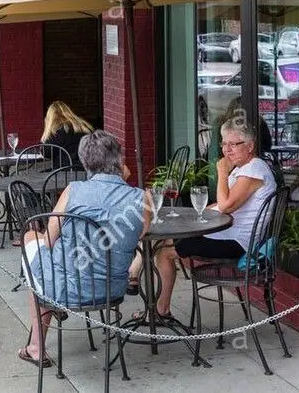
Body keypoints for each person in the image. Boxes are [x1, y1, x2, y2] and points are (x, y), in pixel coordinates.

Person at [19, 130, 153, 368]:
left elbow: (49, 240)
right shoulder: (141, 197)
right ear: (120, 159)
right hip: (113, 287)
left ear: (85, 162)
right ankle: (47, 302)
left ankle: (36, 346)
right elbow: (140, 235)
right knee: (45, 262)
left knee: (32, 242)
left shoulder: (74, 191)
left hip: (69, 287)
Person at [128, 118, 276, 320]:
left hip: (237, 243)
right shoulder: (244, 169)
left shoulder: (253, 170)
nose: (227, 149)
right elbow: (221, 206)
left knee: (163, 253)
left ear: (250, 146)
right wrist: (199, 212)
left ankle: (158, 309)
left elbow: (226, 205)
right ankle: (136, 278)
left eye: (234, 144)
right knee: (161, 241)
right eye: (224, 143)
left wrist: (222, 173)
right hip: (225, 235)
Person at [40, 101, 94, 168]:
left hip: (64, 170)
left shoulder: (58, 132)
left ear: (50, 118)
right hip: (87, 167)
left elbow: (46, 152)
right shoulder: (83, 126)